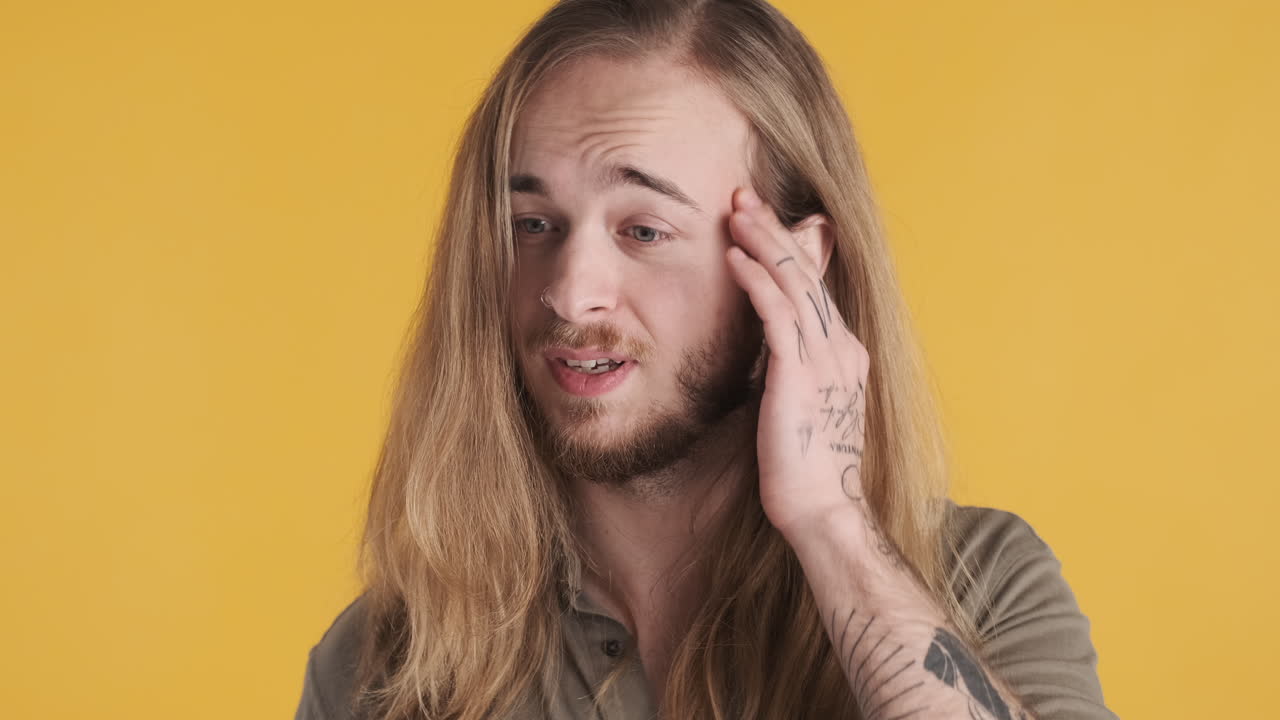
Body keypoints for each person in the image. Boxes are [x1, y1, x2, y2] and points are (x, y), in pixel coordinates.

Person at [293, 1, 1116, 719]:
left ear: (794, 266)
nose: (571, 295)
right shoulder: (385, 662)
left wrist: (832, 526)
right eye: (533, 225)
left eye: (643, 230)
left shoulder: (980, 589)